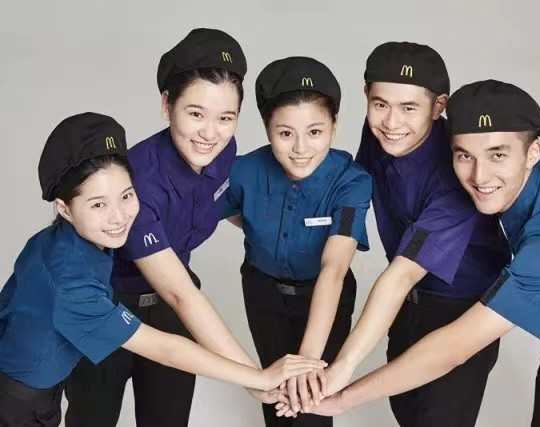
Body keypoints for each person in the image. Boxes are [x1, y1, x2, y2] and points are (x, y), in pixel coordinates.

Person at [300, 79, 540, 427]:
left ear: (533, 152)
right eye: (465, 155)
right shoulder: (529, 170)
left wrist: (344, 398)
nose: (479, 176)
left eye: (497, 155)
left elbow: (453, 349)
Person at [0, 112, 325, 427]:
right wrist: (259, 378)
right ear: (65, 209)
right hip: (19, 401)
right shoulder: (71, 283)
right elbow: (165, 349)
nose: (119, 217)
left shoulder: (58, 241)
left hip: (36, 381)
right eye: (98, 204)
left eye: (126, 196)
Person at [64, 29, 298, 427]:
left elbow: (215, 204)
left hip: (168, 310)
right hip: (105, 307)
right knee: (93, 419)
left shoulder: (223, 152)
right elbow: (181, 293)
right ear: (166, 104)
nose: (210, 133)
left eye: (226, 118)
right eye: (196, 114)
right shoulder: (136, 181)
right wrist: (254, 378)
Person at [277, 43, 509, 426]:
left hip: (459, 308)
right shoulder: (382, 134)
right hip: (408, 303)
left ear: (438, 106)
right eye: (381, 104)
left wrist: (342, 368)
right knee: (406, 409)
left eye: (409, 108)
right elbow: (354, 189)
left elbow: (401, 275)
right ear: (367, 96)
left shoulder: (457, 173)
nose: (391, 121)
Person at [224, 56, 372, 426]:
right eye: (286, 133)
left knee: (311, 403)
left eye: (315, 132)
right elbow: (213, 206)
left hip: (325, 296)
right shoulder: (243, 170)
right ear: (267, 128)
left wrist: (306, 364)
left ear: (335, 126)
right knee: (275, 396)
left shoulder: (352, 182)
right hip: (263, 294)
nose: (300, 148)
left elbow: (334, 269)